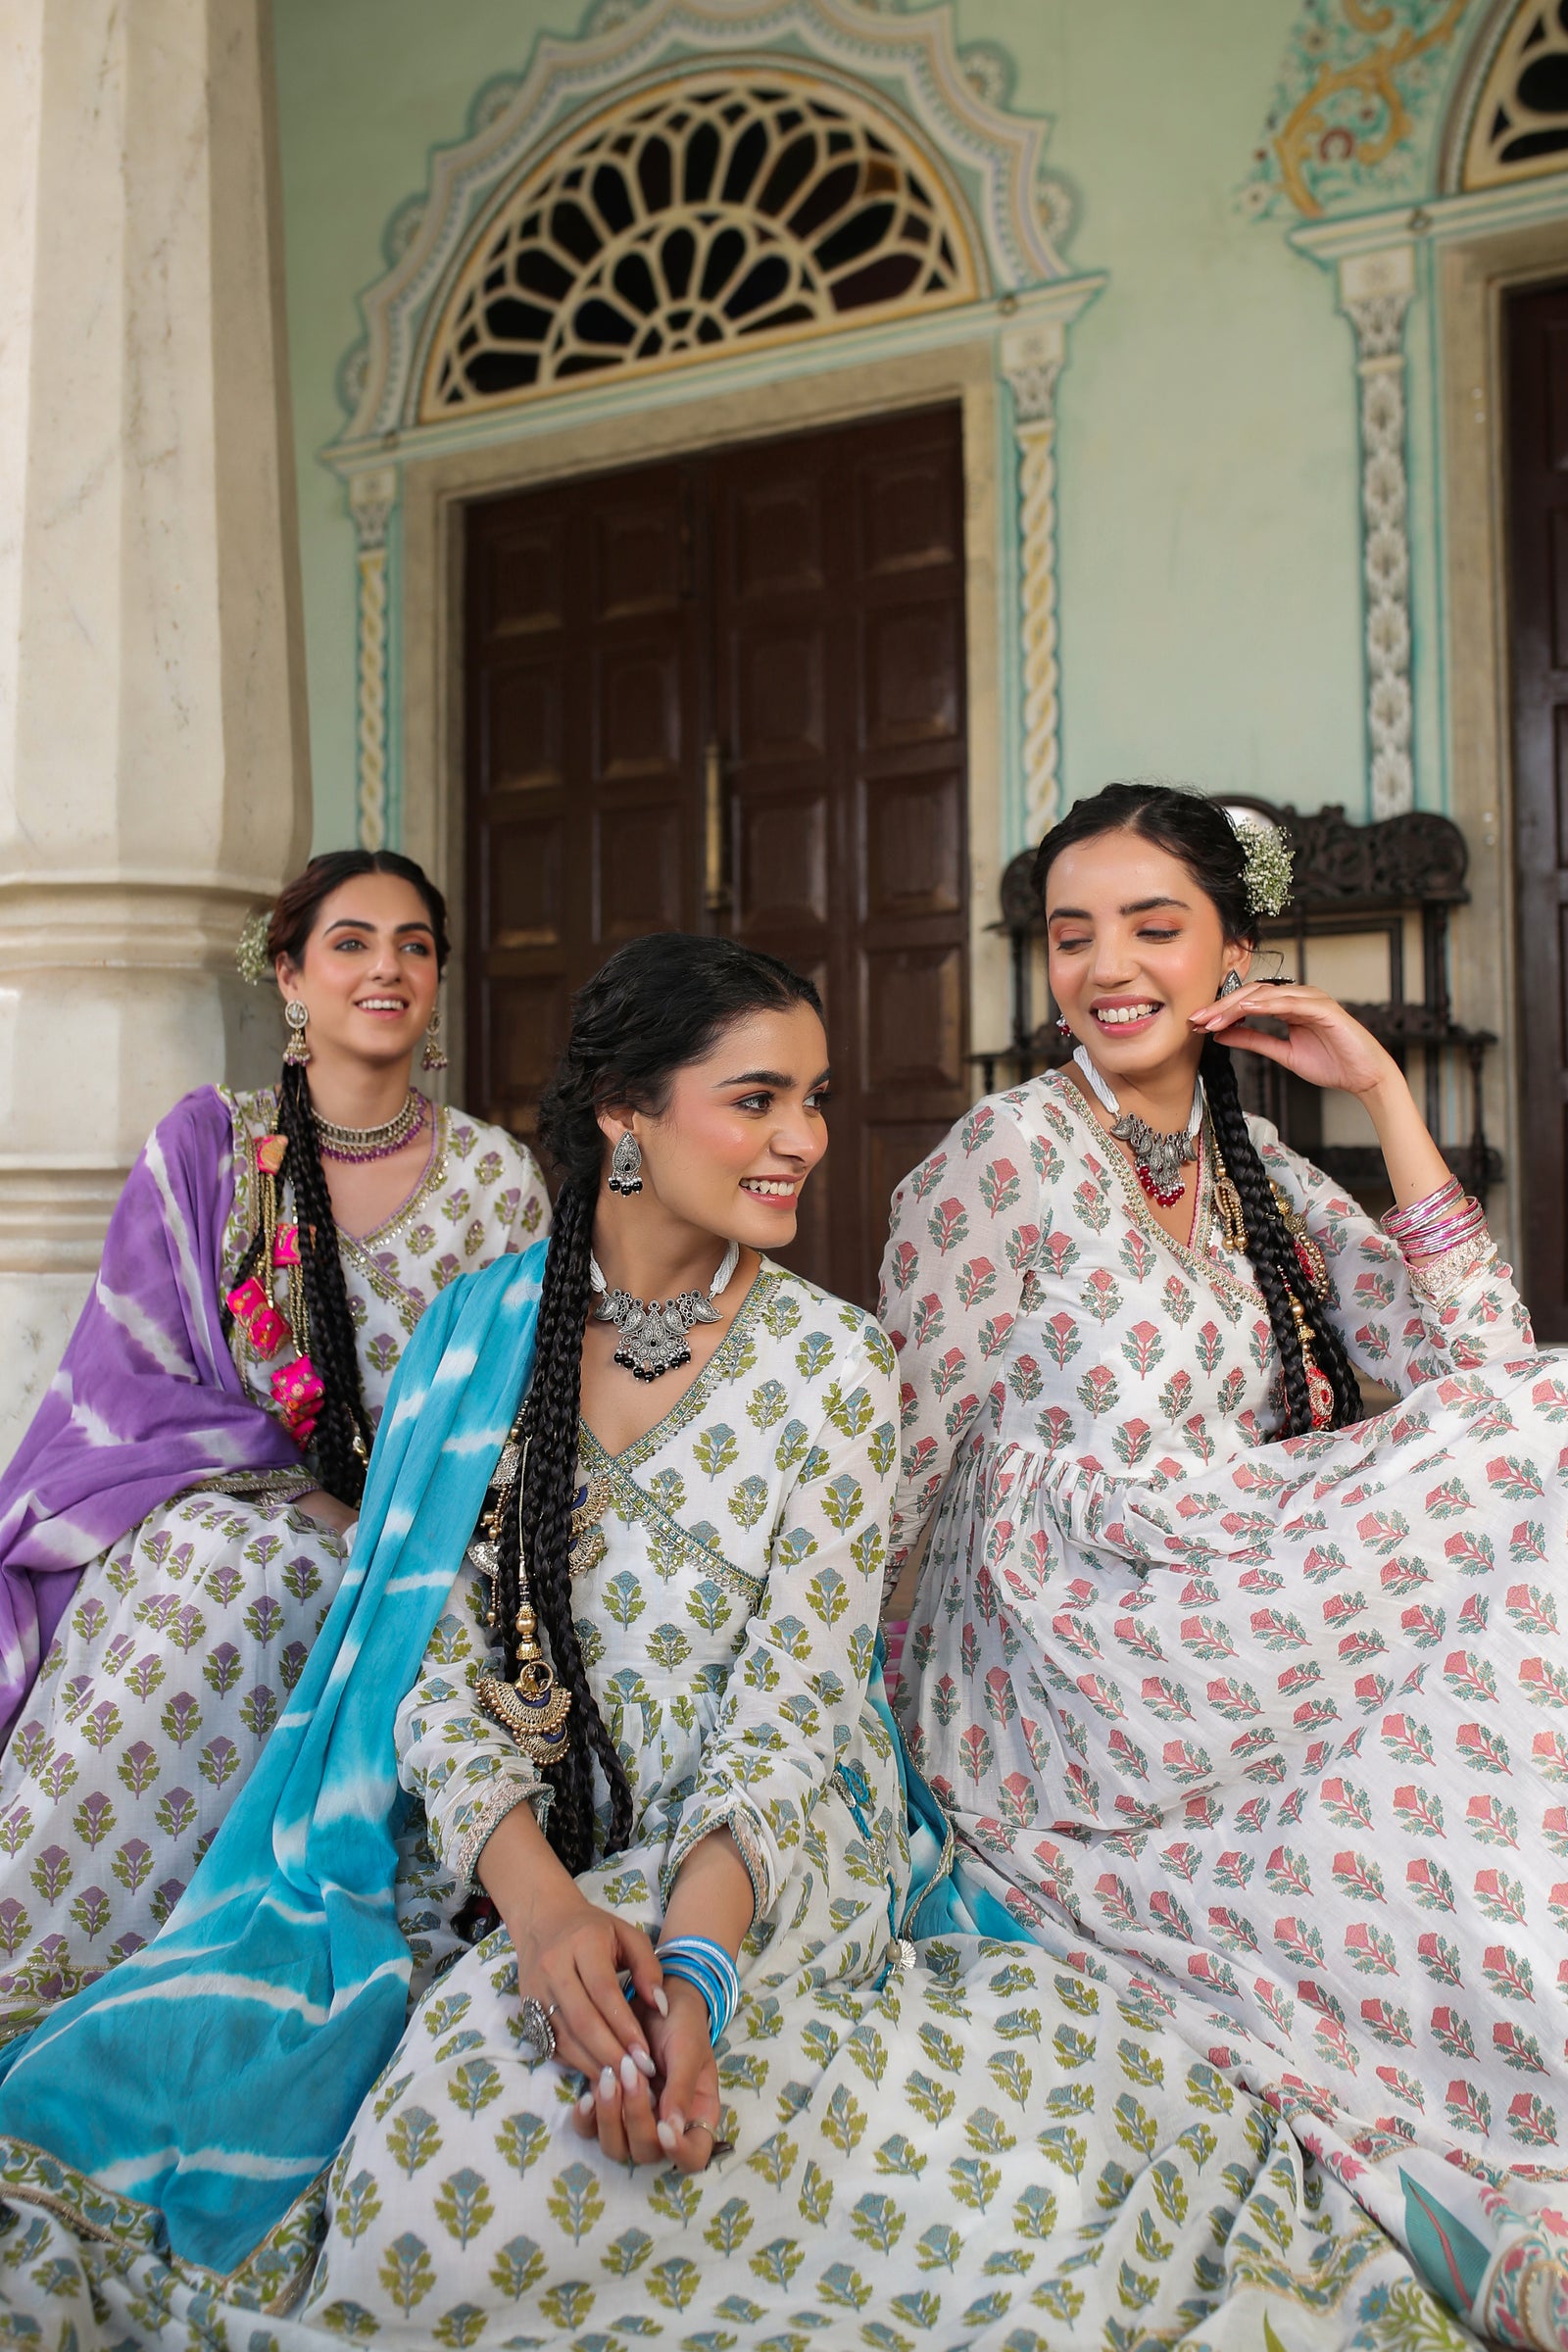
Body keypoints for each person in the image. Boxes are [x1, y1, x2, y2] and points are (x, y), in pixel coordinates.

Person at [0, 930, 1445, 2352]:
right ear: (627, 1118)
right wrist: (548, 1914)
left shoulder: (831, 1359)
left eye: (810, 1099)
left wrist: (694, 1972)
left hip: (769, 1851)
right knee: (456, 2120)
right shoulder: (475, 1335)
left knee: (597, 2123)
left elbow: (789, 1717)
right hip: (515, 1858)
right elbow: (427, 1673)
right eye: (757, 1099)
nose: (803, 1140)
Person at [883, 780, 1568, 2339]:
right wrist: (868, 1718)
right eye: (1072, 935)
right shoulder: (1006, 1162)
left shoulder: (1260, 1169)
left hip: (1220, 1606)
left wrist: (1379, 1093)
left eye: (1153, 927)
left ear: (1235, 959)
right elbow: (903, 1462)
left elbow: (1492, 1379)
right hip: (1061, 1672)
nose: (1106, 967)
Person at [0, 850, 548, 2039]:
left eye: (414, 945)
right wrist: (305, 1501)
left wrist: (396, 1523)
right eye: (351, 943)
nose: (386, 968)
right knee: (233, 1573)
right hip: (217, 1507)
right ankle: (67, 1968)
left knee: (369, 1603)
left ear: (439, 980)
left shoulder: (499, 1180)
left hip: (432, 1535)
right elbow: (132, 1375)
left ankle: (289, 1968)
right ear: (290, 978)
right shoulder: (210, 1149)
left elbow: (525, 1401)